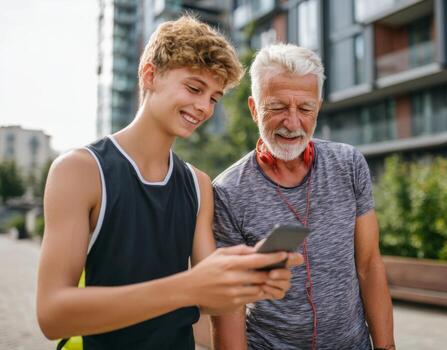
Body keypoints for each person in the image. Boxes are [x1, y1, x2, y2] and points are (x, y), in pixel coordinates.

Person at [36, 17, 303, 350]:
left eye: (214, 98)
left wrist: (249, 282)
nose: (204, 107)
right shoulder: (79, 171)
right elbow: (52, 315)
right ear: (150, 75)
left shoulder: (197, 184)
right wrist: (189, 286)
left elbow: (210, 302)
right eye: (194, 88)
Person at [212, 43, 395, 350]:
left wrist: (386, 347)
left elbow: (369, 265)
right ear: (254, 109)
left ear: (318, 108)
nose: (293, 123)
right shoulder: (228, 191)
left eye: (305, 109)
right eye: (278, 107)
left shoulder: (349, 165)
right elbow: (231, 303)